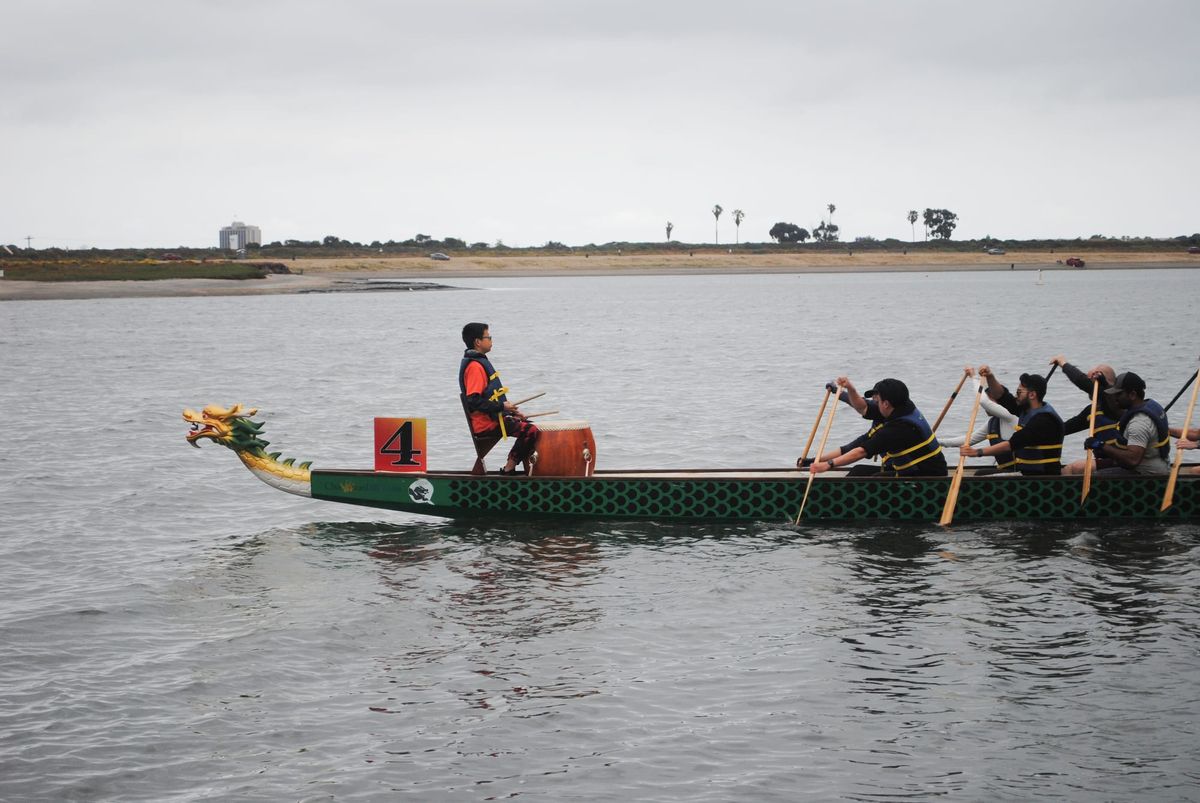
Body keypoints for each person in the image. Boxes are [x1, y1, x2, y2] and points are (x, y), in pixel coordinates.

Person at [808, 377, 947, 477]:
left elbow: (860, 452)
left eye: (877, 399)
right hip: (909, 470)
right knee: (859, 471)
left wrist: (828, 465)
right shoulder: (898, 407)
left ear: (885, 403)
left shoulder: (898, 428)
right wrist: (846, 389)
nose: (875, 402)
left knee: (874, 480)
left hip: (926, 479)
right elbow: (861, 406)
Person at [459, 322, 539, 474]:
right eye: (488, 337)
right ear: (478, 342)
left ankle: (528, 469)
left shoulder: (479, 362)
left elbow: (491, 398)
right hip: (485, 424)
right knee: (531, 430)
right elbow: (474, 400)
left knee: (528, 425)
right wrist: (503, 407)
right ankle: (509, 468)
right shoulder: (475, 367)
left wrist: (512, 413)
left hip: (493, 419)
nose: (491, 340)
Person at [958, 366, 1064, 475]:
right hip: (1027, 473)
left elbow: (1010, 445)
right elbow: (1001, 395)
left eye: (1019, 392)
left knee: (981, 475)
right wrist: (990, 376)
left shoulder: (1043, 420)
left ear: (1032, 395)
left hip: (1043, 477)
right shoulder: (1025, 410)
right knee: (981, 473)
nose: (1016, 395)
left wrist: (977, 452)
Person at [937, 366, 1019, 474]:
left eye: (990, 400)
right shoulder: (993, 423)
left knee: (979, 474)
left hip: (1020, 473)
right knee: (978, 473)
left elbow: (983, 401)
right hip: (1005, 471)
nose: (986, 407)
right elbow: (968, 440)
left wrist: (974, 377)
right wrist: (938, 442)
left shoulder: (1010, 417)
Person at [1048, 356, 1122, 474]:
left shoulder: (1118, 403)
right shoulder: (1092, 410)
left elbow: (1081, 381)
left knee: (1075, 468)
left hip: (1122, 459)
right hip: (1105, 460)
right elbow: (1066, 428)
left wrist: (1063, 363)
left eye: (1092, 382)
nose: (1090, 388)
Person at [1087, 371, 1170, 476]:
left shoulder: (1139, 423)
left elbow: (1132, 460)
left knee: (1095, 477)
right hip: (1159, 465)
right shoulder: (1147, 406)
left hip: (1147, 474)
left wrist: (1100, 445)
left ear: (1132, 394)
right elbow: (1115, 409)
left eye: (1118, 394)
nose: (1115, 398)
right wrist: (1104, 384)